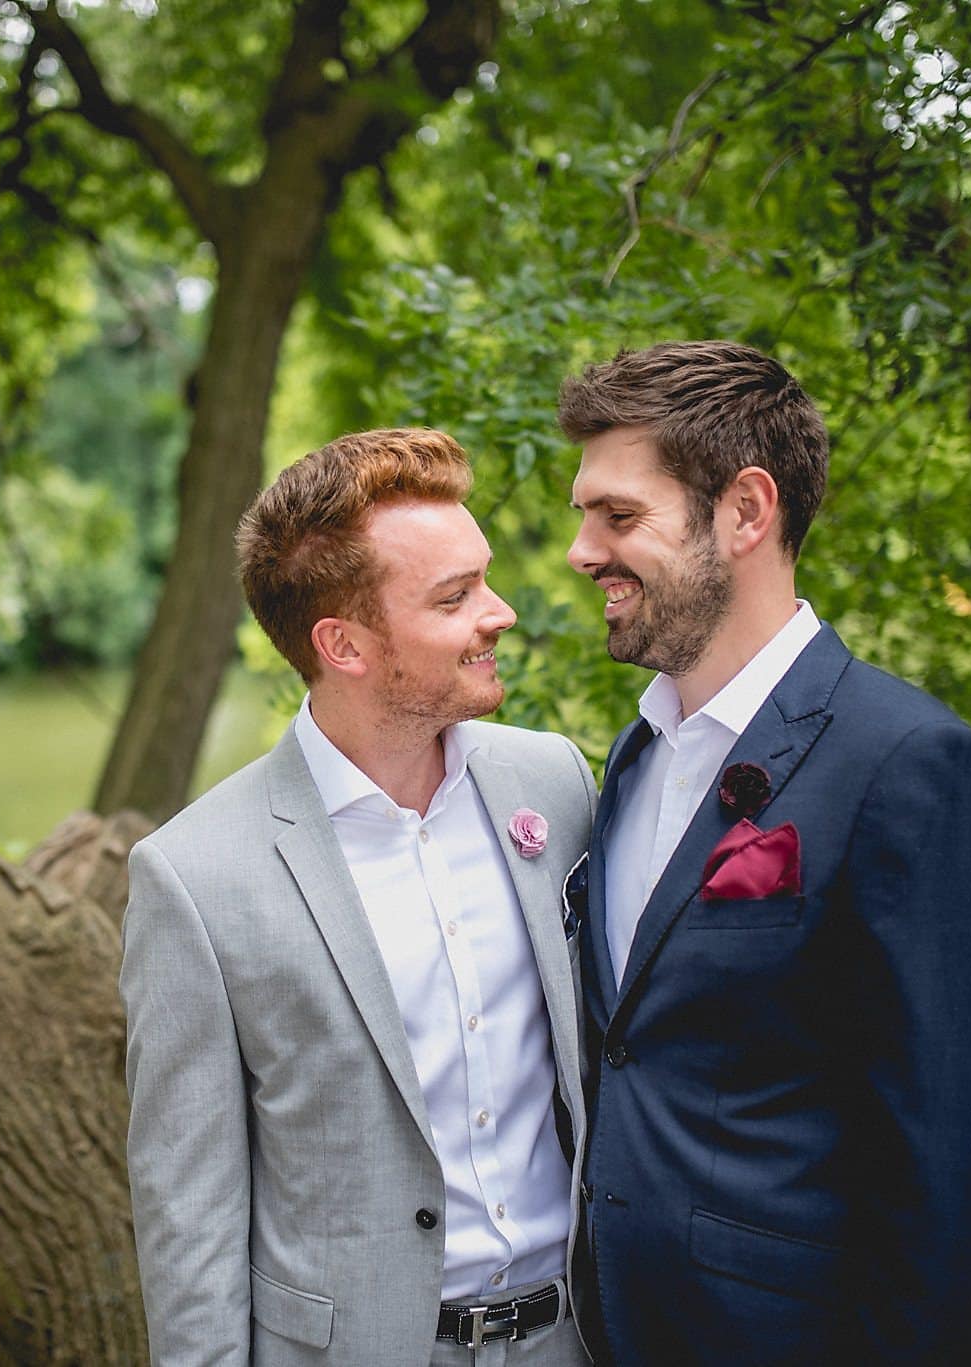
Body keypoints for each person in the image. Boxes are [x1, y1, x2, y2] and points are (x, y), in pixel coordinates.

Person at [558, 341, 971, 1363]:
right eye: (583, 514)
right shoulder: (634, 754)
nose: (580, 550)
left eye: (619, 515)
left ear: (744, 510)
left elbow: (941, 1174)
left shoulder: (912, 766)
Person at [121, 428, 597, 1366]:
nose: (498, 613)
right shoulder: (195, 876)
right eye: (454, 598)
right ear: (342, 643)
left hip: (578, 1340)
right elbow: (189, 1212)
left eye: (484, 579)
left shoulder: (555, 784)